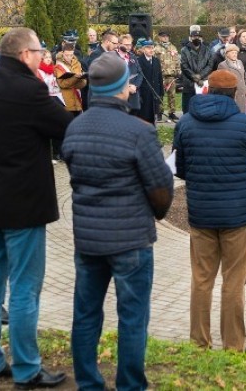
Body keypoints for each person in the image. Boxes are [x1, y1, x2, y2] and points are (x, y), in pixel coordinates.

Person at [0, 28, 72, 388]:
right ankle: (27, 368)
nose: (43, 57)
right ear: (25, 54)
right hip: (23, 204)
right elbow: (63, 127)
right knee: (25, 287)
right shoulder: (30, 89)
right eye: (40, 50)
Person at [62, 53, 174, 391]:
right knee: (133, 317)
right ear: (120, 88)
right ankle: (129, 385)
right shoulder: (139, 132)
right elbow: (161, 188)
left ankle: (88, 382)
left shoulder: (74, 128)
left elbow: (75, 178)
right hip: (131, 240)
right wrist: (156, 213)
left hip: (89, 239)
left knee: (85, 314)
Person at [173, 69, 246, 352]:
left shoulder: (187, 124)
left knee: (202, 280)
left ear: (207, 91)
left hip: (201, 213)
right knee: (234, 280)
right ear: (234, 94)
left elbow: (179, 169)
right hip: (239, 216)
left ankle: (199, 342)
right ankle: (233, 345)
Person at [180, 28, 213, 115]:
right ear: (190, 38)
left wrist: (201, 76)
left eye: (198, 36)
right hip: (189, 82)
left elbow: (210, 65)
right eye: (194, 36)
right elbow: (184, 66)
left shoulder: (207, 49)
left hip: (203, 82)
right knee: (188, 107)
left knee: (203, 106)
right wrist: (195, 78)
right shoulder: (184, 50)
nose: (197, 38)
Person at [135, 38, 163, 124]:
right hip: (144, 94)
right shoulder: (139, 61)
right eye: (148, 48)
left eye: (152, 47)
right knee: (144, 116)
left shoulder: (156, 61)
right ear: (143, 49)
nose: (151, 50)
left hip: (155, 93)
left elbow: (159, 77)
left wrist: (161, 92)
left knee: (153, 116)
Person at [54, 42, 88, 116]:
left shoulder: (77, 63)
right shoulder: (58, 66)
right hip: (66, 104)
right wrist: (76, 78)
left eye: (71, 55)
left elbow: (82, 84)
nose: (69, 57)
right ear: (62, 53)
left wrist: (82, 79)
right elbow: (62, 84)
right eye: (66, 55)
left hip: (78, 101)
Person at [218, 44, 246, 114]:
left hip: (243, 93)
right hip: (233, 95)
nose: (235, 54)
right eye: (232, 52)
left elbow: (245, 76)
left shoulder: (240, 62)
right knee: (234, 115)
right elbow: (222, 82)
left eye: (236, 53)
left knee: (243, 114)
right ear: (227, 54)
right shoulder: (223, 65)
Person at [156, 31, 181, 121]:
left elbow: (177, 60)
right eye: (163, 36)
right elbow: (154, 62)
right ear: (159, 37)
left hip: (171, 75)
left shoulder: (173, 47)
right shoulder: (156, 48)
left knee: (172, 95)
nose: (165, 38)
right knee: (160, 95)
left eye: (167, 36)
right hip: (161, 76)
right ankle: (159, 113)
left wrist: (178, 71)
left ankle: (171, 112)